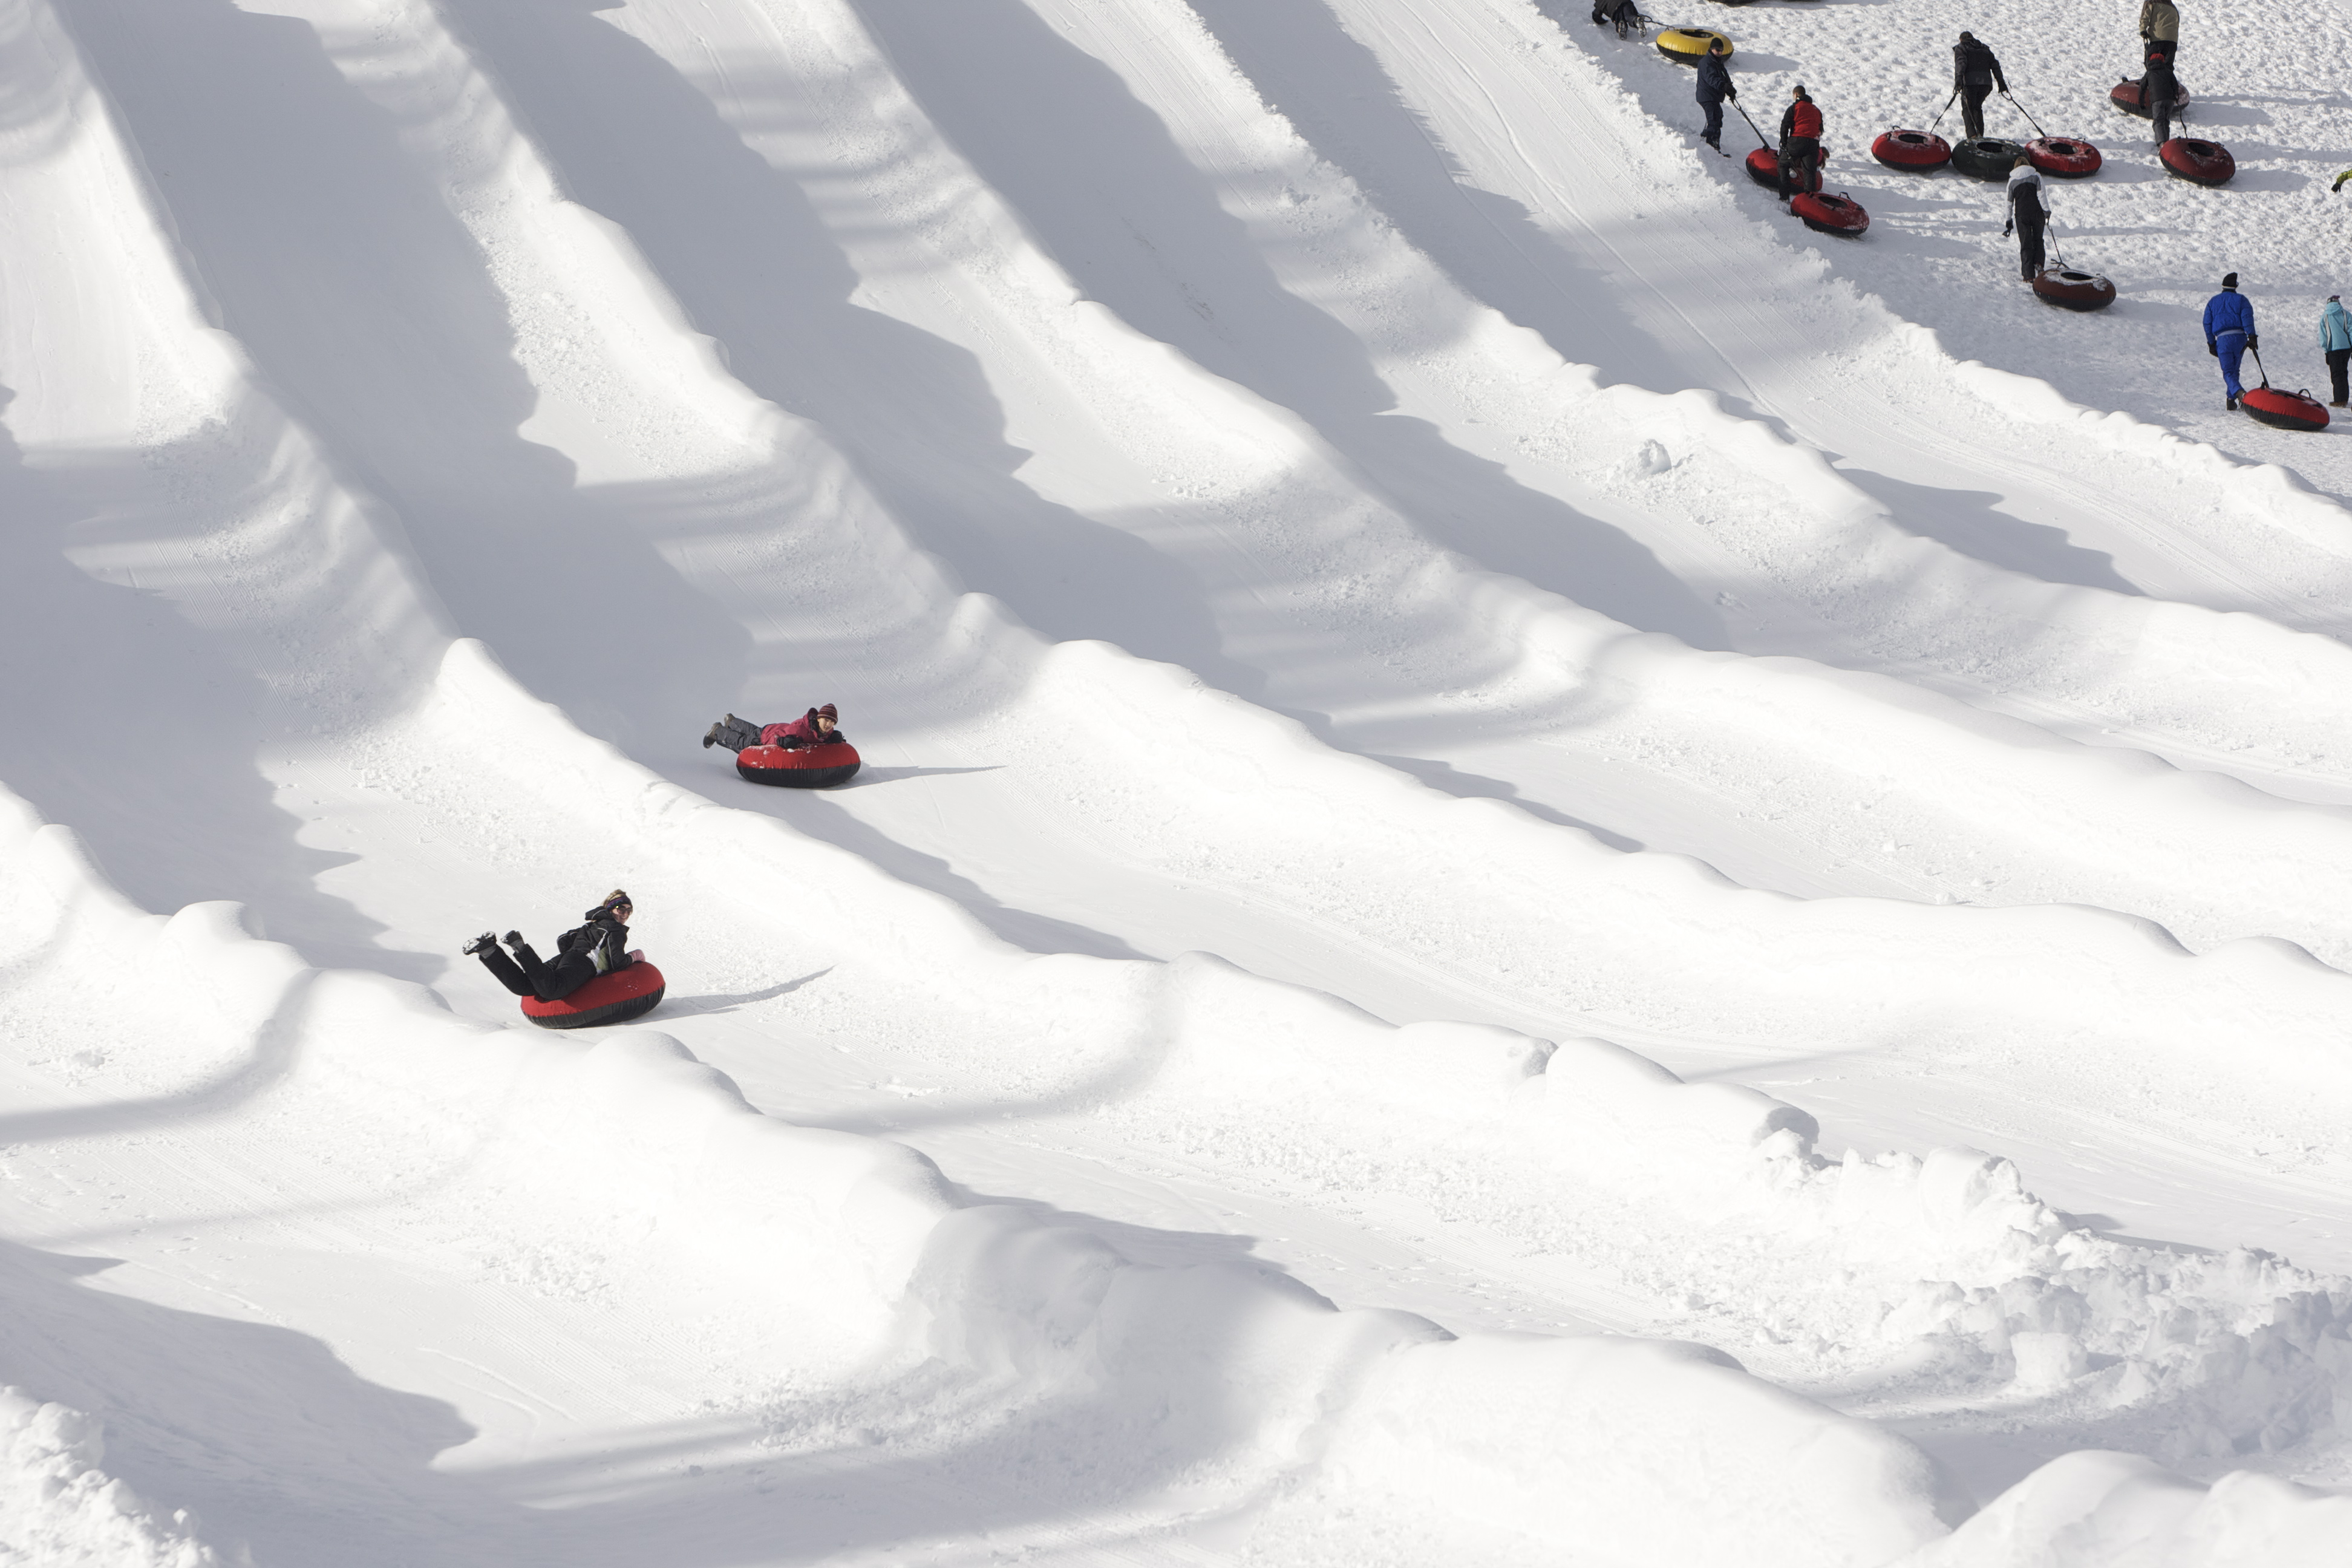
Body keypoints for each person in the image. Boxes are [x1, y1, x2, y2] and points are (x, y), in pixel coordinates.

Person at [466, 891, 635, 1003]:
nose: (625, 914)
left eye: (629, 911)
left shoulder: (592, 925)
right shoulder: (616, 930)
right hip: (584, 963)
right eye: (621, 909)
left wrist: (570, 958)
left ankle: (489, 951)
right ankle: (521, 948)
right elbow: (617, 962)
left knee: (524, 986)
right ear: (611, 909)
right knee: (552, 990)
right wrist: (635, 957)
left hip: (567, 958)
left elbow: (563, 939)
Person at [2203, 274, 2256, 412]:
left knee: (2228, 372)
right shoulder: (2242, 300)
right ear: (2236, 286)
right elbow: (2247, 318)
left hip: (2223, 340)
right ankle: (2231, 400)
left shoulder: (2213, 302)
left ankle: (2239, 393)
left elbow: (2207, 323)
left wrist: (2211, 343)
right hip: (2240, 339)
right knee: (2235, 371)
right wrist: (2252, 336)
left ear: (2222, 286)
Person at [703, 704, 847, 752]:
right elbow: (780, 737)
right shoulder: (801, 728)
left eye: (832, 722)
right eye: (826, 720)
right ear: (819, 718)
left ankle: (732, 722)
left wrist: (838, 739)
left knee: (754, 731)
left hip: (772, 728)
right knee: (744, 743)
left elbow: (824, 739)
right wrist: (781, 742)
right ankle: (718, 731)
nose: (828, 725)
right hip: (769, 735)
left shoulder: (827, 732)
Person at [1953, 32, 2008, 143]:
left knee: (1968, 109)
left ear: (1961, 39)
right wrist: (2001, 82)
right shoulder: (1985, 49)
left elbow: (1961, 63)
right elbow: (1995, 65)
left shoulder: (1962, 47)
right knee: (1977, 108)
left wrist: (1959, 79)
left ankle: (1973, 138)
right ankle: (1980, 137)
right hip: (1985, 85)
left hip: (1970, 83)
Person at [2002, 155, 2048, 283]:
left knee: (2026, 243)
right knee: (2038, 239)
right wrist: (2047, 211)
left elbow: (2009, 203)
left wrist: (2008, 220)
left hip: (2022, 215)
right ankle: (2039, 262)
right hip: (2037, 213)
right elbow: (2042, 195)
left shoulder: (2012, 181)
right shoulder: (2036, 176)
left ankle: (2028, 275)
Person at [1777, 85, 1821, 203]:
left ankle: (1784, 197)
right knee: (1809, 172)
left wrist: (1784, 143)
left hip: (1797, 141)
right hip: (1813, 144)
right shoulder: (1817, 110)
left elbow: (1785, 125)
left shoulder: (1794, 108)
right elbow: (1820, 129)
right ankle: (1809, 202)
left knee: (1783, 164)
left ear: (1796, 95)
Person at [1695, 37, 1735, 153]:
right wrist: (1723, 86)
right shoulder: (1706, 62)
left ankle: (1707, 136)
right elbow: (1711, 79)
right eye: (1718, 50)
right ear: (1712, 49)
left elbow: (1724, 76)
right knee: (1714, 118)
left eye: (1721, 50)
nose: (1720, 52)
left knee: (1718, 115)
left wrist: (1730, 89)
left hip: (1713, 96)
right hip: (1707, 96)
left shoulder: (1718, 62)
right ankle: (1712, 146)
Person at [2320, 293, 2351, 408]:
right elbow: (2351, 331)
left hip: (2333, 349)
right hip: (2346, 349)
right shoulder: (2346, 314)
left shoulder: (2325, 317)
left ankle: (2339, 400)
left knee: (2336, 375)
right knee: (2344, 373)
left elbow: (2323, 336)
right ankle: (2345, 398)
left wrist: (2326, 351)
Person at [2143, 47, 2179, 145]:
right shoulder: (2168, 71)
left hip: (2157, 100)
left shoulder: (2149, 73)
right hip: (2170, 100)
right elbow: (2175, 85)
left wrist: (2141, 101)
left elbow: (2142, 87)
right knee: (2166, 121)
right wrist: (2176, 97)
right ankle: (2166, 143)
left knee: (2158, 121)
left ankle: (2162, 143)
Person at [2140, 0, 2179, 66]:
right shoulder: (2173, 7)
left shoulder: (2152, 2)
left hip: (2158, 40)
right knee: (2167, 69)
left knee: (2153, 66)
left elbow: (2145, 16)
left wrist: (2143, 30)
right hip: (2172, 43)